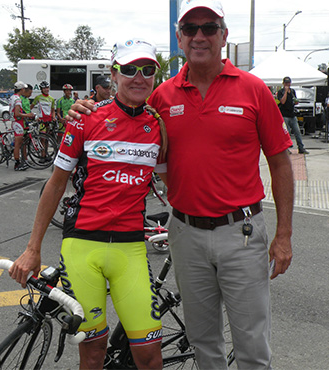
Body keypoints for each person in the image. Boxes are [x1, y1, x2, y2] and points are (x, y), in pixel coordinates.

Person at [68, 1, 294, 368]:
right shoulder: (162, 96)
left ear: (224, 35)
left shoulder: (253, 90)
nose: (200, 36)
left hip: (243, 232)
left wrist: (284, 235)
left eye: (209, 27)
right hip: (185, 232)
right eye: (191, 29)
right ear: (179, 38)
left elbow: (281, 162)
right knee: (203, 340)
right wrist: (86, 110)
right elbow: (125, 110)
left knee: (252, 344)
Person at [9, 37, 167, 370]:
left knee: (149, 357)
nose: (139, 77)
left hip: (131, 249)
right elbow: (56, 183)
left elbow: (174, 182)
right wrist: (33, 247)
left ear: (155, 74)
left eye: (147, 69)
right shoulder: (85, 118)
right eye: (129, 69)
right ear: (114, 74)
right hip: (82, 245)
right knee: (93, 350)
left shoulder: (158, 126)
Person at [277, 76, 309, 154]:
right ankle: (286, 149)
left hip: (292, 114)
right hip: (284, 115)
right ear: (283, 83)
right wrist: (285, 92)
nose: (287, 84)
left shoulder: (292, 91)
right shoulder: (280, 92)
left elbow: (294, 100)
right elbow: (282, 102)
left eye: (289, 83)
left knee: (297, 132)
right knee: (286, 133)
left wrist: (295, 101)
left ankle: (301, 148)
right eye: (286, 83)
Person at [9, 81, 35, 171]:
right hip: (18, 122)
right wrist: (27, 115)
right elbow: (17, 113)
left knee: (19, 143)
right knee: (18, 144)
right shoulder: (18, 99)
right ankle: (17, 164)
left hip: (15, 122)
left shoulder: (13, 97)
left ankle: (19, 162)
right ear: (22, 89)